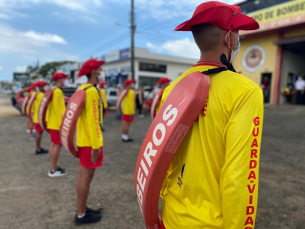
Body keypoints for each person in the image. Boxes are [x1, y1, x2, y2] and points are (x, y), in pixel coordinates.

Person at [156, 2, 264, 229]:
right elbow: (239, 175)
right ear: (229, 38)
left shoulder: (172, 88)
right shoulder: (245, 91)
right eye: (238, 33)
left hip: (171, 217)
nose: (238, 38)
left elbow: (160, 157)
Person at [74, 59, 105, 225]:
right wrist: (96, 146)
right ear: (94, 72)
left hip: (83, 140)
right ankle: (81, 214)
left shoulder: (82, 89)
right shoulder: (91, 91)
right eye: (100, 69)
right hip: (90, 143)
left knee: (82, 177)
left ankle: (82, 209)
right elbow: (94, 121)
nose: (102, 71)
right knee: (85, 178)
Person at [46, 72, 68, 177]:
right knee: (57, 145)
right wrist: (63, 124)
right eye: (65, 78)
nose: (66, 80)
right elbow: (60, 109)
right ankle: (54, 170)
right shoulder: (58, 91)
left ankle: (53, 167)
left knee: (54, 144)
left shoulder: (52, 90)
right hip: (57, 123)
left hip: (52, 122)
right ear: (60, 80)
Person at [32, 80, 49, 155]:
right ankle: (38, 149)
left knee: (39, 133)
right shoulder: (41, 95)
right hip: (39, 118)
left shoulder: (37, 94)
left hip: (37, 117)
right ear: (41, 87)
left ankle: (38, 148)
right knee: (39, 133)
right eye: (44, 86)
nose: (45, 87)